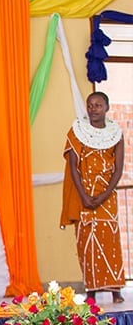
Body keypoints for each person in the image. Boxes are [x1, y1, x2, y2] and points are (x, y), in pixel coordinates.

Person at [60, 91, 125, 303]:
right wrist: (84, 196)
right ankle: (91, 291)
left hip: (107, 197)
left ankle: (116, 290)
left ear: (106, 108)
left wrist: (105, 194)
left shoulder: (116, 133)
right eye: (90, 105)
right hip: (83, 195)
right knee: (86, 242)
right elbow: (72, 168)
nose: (93, 109)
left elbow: (118, 168)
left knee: (110, 241)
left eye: (98, 105)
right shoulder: (76, 132)